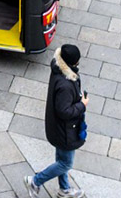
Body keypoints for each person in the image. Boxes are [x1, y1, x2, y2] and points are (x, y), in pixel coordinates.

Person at [23, 44, 88, 198]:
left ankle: (64, 190)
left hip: (58, 128)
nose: (78, 65)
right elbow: (64, 111)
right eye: (77, 62)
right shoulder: (65, 84)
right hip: (65, 130)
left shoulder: (59, 70)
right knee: (65, 163)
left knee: (61, 159)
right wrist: (82, 105)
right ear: (71, 63)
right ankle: (35, 181)